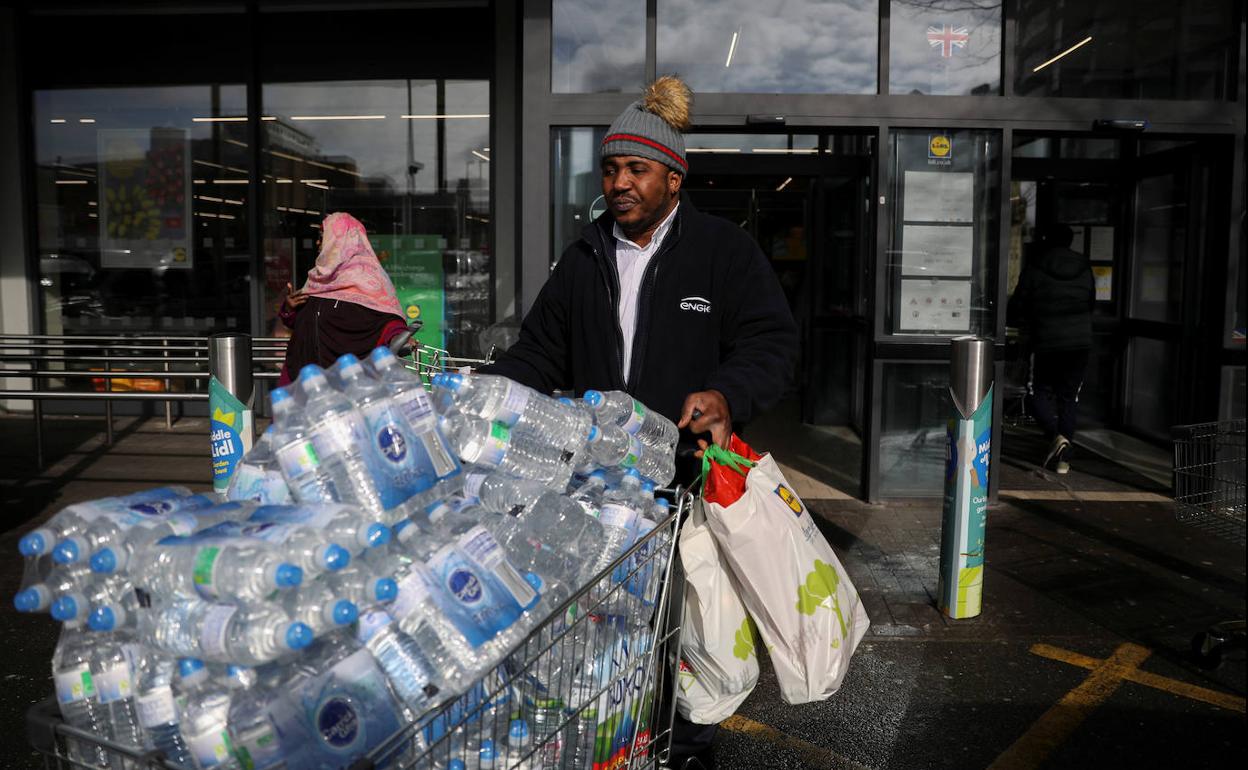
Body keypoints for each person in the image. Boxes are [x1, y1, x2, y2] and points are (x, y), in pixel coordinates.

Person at [481, 76, 798, 769]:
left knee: (687, 657)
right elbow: (539, 352)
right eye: (611, 168)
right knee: (608, 658)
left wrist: (726, 394)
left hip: (685, 496)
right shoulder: (584, 258)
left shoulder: (721, 252)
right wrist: (478, 398)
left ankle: (683, 753)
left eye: (637, 169)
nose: (620, 182)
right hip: (602, 500)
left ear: (674, 178)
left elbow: (772, 344)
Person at [276, 212, 410, 385]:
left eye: (323, 237)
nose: (318, 242)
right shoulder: (318, 278)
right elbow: (312, 325)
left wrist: (398, 336)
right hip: (306, 381)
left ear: (341, 241)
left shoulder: (368, 279)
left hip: (348, 387)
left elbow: (386, 320)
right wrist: (290, 310)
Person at [1007, 223, 1095, 474]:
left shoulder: (1036, 266)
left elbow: (1018, 305)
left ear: (1047, 240)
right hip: (1079, 343)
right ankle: (1063, 458)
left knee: (1037, 392)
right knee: (1069, 397)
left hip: (1046, 340)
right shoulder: (1084, 267)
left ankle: (1057, 438)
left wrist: (1024, 320)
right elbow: (1090, 302)